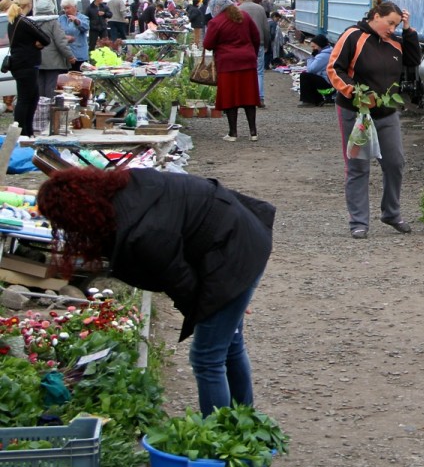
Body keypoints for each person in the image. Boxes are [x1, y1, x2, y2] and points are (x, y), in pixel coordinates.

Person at [35, 167, 274, 416]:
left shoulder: (142, 232)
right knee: (230, 342)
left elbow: (182, 282)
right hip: (240, 234)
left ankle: (219, 440)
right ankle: (245, 424)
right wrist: (229, 299)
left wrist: (226, 295)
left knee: (207, 357)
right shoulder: (127, 189)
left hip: (234, 248)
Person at [327, 0, 421, 238]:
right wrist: (353, 92)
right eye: (390, 23)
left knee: (395, 162)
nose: (392, 29)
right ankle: (359, 222)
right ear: (376, 16)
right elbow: (333, 69)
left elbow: (414, 59)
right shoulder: (353, 36)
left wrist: (408, 31)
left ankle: (391, 213)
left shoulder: (395, 43)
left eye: (396, 25)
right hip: (355, 111)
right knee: (358, 166)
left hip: (386, 112)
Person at [203, 0, 261, 142]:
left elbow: (208, 44)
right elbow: (256, 37)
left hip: (227, 63)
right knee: (249, 97)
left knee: (230, 97)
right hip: (247, 61)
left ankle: (233, 133)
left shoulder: (215, 22)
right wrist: (251, 52)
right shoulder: (245, 17)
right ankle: (253, 132)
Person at [6, 0, 51, 136]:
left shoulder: (13, 20)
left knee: (32, 97)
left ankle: (28, 130)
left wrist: (35, 42)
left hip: (19, 63)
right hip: (26, 63)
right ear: (29, 5)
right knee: (25, 99)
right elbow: (45, 38)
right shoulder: (25, 21)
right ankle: (23, 132)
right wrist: (37, 43)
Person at [236, 0, 269, 108]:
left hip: (242, 44)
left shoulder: (238, 9)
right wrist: (266, 43)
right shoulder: (260, 8)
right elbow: (266, 27)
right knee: (259, 71)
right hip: (259, 43)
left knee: (243, 71)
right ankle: (260, 98)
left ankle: (244, 98)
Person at [35, 12, 76, 99]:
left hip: (37, 59)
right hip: (53, 61)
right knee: (52, 88)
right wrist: (70, 56)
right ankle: (50, 110)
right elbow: (61, 42)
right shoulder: (53, 22)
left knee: (39, 87)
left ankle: (40, 110)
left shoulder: (32, 22)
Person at [298, 35, 333, 106]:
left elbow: (311, 69)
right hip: (329, 82)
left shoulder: (323, 56)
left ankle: (309, 101)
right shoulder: (328, 52)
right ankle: (317, 100)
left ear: (320, 45)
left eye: (314, 47)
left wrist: (311, 58)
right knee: (310, 77)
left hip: (329, 85)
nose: (313, 49)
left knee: (305, 76)